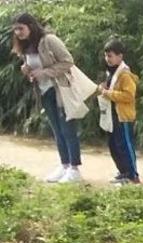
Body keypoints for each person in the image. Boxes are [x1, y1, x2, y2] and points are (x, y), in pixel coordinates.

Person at [11, 13, 82, 183]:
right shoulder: (26, 46)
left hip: (60, 90)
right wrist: (27, 70)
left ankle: (74, 169)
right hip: (44, 92)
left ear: (31, 26)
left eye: (21, 28)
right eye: (15, 30)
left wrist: (44, 72)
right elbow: (36, 66)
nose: (18, 33)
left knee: (67, 129)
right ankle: (64, 165)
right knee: (57, 131)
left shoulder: (49, 40)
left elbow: (68, 62)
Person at [97, 38, 140, 185]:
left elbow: (128, 96)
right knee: (114, 146)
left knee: (126, 146)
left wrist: (108, 93)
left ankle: (132, 175)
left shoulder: (125, 75)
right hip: (112, 116)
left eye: (110, 56)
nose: (107, 59)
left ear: (120, 56)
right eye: (106, 56)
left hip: (123, 117)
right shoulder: (111, 73)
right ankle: (123, 172)